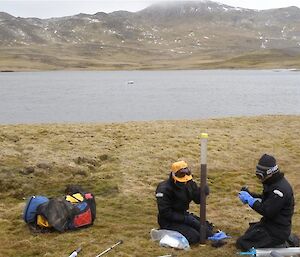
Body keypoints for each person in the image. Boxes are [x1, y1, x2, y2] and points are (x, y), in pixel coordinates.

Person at [236, 154, 295, 250]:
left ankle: (282, 245)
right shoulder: (273, 183)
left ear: (269, 172)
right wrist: (251, 195)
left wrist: (251, 201)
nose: (259, 179)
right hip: (270, 225)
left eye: (260, 175)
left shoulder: (279, 191)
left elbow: (268, 211)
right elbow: (266, 199)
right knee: (249, 234)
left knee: (243, 243)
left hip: (277, 231)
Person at [155, 160, 213, 244]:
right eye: (181, 174)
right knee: (195, 237)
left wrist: (203, 192)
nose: (184, 180)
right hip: (169, 220)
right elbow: (165, 212)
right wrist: (186, 219)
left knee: (207, 230)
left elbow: (197, 200)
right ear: (174, 174)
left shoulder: (189, 182)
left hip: (183, 214)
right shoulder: (164, 189)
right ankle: (165, 232)